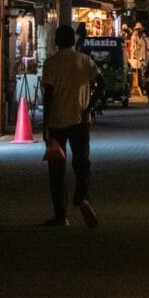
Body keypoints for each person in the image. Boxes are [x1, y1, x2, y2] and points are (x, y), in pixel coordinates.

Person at [41, 24, 100, 228]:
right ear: (74, 41)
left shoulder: (51, 63)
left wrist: (45, 125)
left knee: (56, 170)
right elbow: (101, 83)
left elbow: (48, 96)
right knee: (82, 164)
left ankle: (60, 214)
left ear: (57, 41)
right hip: (80, 121)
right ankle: (83, 198)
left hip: (57, 122)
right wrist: (89, 107)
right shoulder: (85, 61)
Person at [129, 24, 149, 97]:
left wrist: (148, 54)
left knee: (143, 73)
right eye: (139, 31)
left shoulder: (144, 38)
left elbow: (147, 47)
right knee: (138, 74)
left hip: (143, 57)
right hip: (136, 58)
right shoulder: (134, 37)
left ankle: (143, 88)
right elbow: (133, 48)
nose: (140, 32)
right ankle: (139, 88)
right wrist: (135, 52)